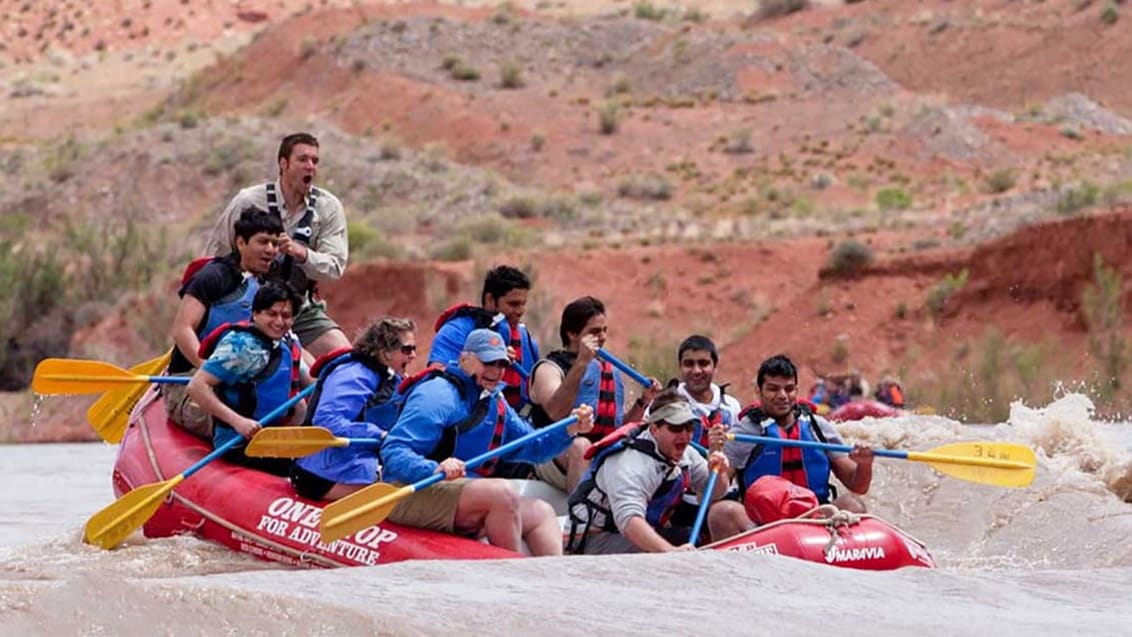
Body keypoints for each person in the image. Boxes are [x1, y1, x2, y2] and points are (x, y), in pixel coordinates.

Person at [379, 328, 595, 556]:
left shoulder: (493, 400)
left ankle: (553, 584)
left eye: (501, 364)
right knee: (502, 493)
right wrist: (435, 467)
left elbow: (535, 447)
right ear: (465, 360)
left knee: (542, 512)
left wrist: (569, 429)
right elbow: (393, 452)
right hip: (411, 491)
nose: (496, 371)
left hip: (461, 492)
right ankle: (512, 577)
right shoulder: (437, 395)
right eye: (488, 362)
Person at [204, 132, 350, 359]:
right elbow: (215, 255)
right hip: (248, 306)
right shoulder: (249, 201)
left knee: (345, 360)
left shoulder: (327, 207)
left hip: (300, 308)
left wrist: (302, 254)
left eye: (315, 161)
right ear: (283, 163)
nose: (310, 166)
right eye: (303, 160)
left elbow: (334, 267)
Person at [706, 354, 875, 541]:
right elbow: (715, 493)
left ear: (797, 390)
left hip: (816, 517)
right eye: (773, 389)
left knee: (853, 504)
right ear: (758, 391)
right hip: (763, 525)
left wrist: (864, 464)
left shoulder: (818, 427)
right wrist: (716, 459)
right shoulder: (745, 432)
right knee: (721, 512)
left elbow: (858, 485)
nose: (782, 396)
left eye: (789, 389)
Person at [166, 207, 284, 438]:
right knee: (233, 423)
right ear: (241, 243)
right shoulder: (213, 278)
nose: (271, 250)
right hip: (190, 381)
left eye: (275, 243)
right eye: (263, 242)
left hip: (242, 382)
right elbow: (182, 330)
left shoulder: (271, 285)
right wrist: (209, 369)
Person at [566, 388, 730, 554]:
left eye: (689, 427)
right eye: (675, 428)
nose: (684, 435)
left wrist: (719, 472)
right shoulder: (630, 463)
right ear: (654, 429)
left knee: (692, 538)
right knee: (671, 546)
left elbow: (715, 493)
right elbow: (630, 522)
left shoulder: (686, 454)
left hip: (635, 530)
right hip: (597, 538)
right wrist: (671, 551)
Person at [526, 296, 661, 493]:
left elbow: (619, 430)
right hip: (550, 455)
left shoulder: (607, 370)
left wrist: (644, 400)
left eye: (604, 331)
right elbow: (556, 412)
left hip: (595, 456)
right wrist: (581, 363)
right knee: (581, 446)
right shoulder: (549, 368)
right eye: (594, 332)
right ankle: (577, 518)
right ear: (572, 334)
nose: (603, 337)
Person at [187, 281, 314, 475]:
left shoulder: (287, 342)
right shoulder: (241, 347)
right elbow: (196, 386)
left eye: (286, 316)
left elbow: (306, 385)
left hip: (275, 438)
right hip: (240, 442)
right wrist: (239, 422)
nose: (279, 322)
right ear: (256, 314)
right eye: (272, 314)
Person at [290, 317, 418, 501]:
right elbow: (327, 420)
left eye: (414, 349)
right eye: (407, 349)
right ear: (385, 351)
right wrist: (378, 435)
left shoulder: (387, 376)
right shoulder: (354, 374)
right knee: (405, 494)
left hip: (353, 462)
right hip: (322, 473)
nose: (413, 355)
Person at [428, 265, 539, 412]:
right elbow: (436, 377)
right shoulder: (455, 332)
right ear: (490, 299)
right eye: (513, 304)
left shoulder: (526, 340)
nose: (520, 312)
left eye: (523, 304)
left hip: (511, 424)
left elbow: (535, 390)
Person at [673, 334, 741, 448]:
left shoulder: (731, 407)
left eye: (703, 363)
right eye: (689, 364)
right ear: (680, 366)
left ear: (715, 366)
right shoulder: (665, 403)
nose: (696, 371)